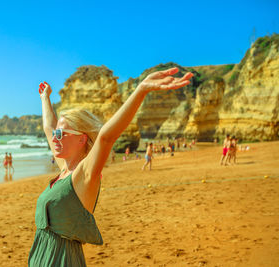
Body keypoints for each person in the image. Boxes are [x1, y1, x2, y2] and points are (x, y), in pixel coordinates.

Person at [28, 68, 193, 266]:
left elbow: (106, 137)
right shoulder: (64, 170)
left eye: (61, 134)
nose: (55, 138)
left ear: (82, 139)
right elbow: (48, 127)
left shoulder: (83, 174)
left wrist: (141, 90)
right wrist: (45, 98)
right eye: (56, 135)